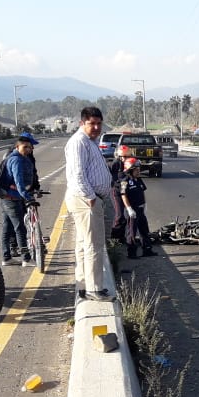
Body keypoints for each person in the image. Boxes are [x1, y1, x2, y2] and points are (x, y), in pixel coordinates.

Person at [64, 107, 114, 301]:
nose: (95, 127)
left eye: (98, 123)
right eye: (91, 123)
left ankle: (85, 282)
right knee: (94, 244)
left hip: (88, 199)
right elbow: (77, 174)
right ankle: (94, 288)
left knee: (84, 243)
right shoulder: (78, 142)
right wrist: (91, 197)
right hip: (85, 200)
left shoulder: (89, 142)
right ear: (81, 123)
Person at [0, 134, 38, 266]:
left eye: (29, 147)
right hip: (12, 198)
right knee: (20, 228)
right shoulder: (16, 160)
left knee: (7, 227)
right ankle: (26, 258)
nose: (28, 149)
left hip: (7, 197)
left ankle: (6, 257)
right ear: (17, 146)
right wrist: (27, 196)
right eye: (24, 147)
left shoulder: (19, 158)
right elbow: (19, 181)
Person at [118, 157, 157, 259]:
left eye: (139, 169)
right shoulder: (125, 181)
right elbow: (123, 195)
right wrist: (129, 209)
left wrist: (145, 204)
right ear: (130, 170)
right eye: (136, 169)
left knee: (144, 230)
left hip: (140, 209)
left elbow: (142, 192)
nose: (138, 171)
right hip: (132, 210)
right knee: (132, 232)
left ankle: (147, 250)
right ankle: (132, 253)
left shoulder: (139, 180)